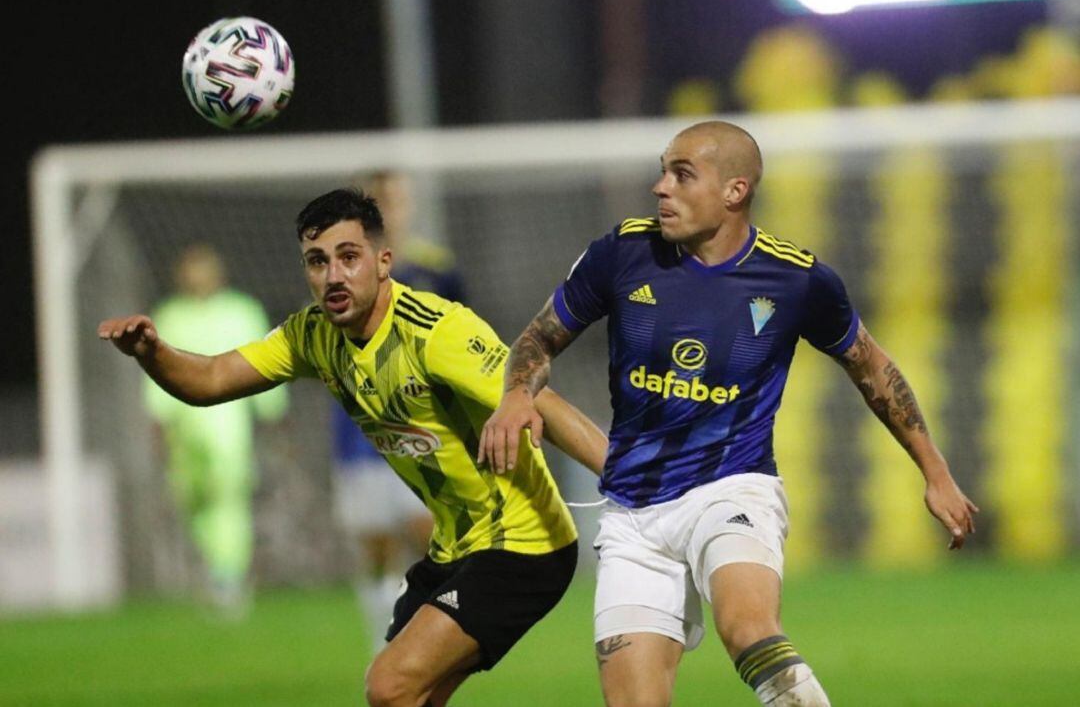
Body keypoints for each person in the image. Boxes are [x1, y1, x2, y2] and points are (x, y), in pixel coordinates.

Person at [480, 121, 979, 707]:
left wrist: (935, 471)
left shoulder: (795, 279)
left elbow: (873, 370)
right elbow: (539, 338)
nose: (660, 187)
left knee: (747, 630)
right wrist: (517, 393)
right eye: (663, 171)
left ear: (734, 191)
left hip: (731, 489)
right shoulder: (622, 253)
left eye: (681, 174)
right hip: (633, 516)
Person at [99, 188, 606, 707]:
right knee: (412, 696)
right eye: (317, 262)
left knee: (390, 685)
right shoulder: (312, 336)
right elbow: (210, 379)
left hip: (524, 546)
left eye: (348, 257)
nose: (333, 275)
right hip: (454, 549)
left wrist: (633, 484)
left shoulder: (437, 332)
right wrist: (150, 353)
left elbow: (547, 404)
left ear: (383, 262)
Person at [330, 170, 465, 648]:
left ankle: (419, 643)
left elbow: (463, 346)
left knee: (429, 540)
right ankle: (381, 644)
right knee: (375, 548)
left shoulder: (438, 270)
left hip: (424, 429)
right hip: (361, 432)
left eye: (398, 199)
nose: (391, 209)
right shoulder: (341, 271)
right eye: (380, 200)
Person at [144, 243, 287, 613]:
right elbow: (156, 372)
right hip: (183, 429)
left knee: (229, 502)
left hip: (229, 426)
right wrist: (158, 423)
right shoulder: (170, 315)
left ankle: (228, 577)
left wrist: (273, 414)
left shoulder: (242, 311)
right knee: (192, 501)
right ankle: (215, 567)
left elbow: (264, 362)